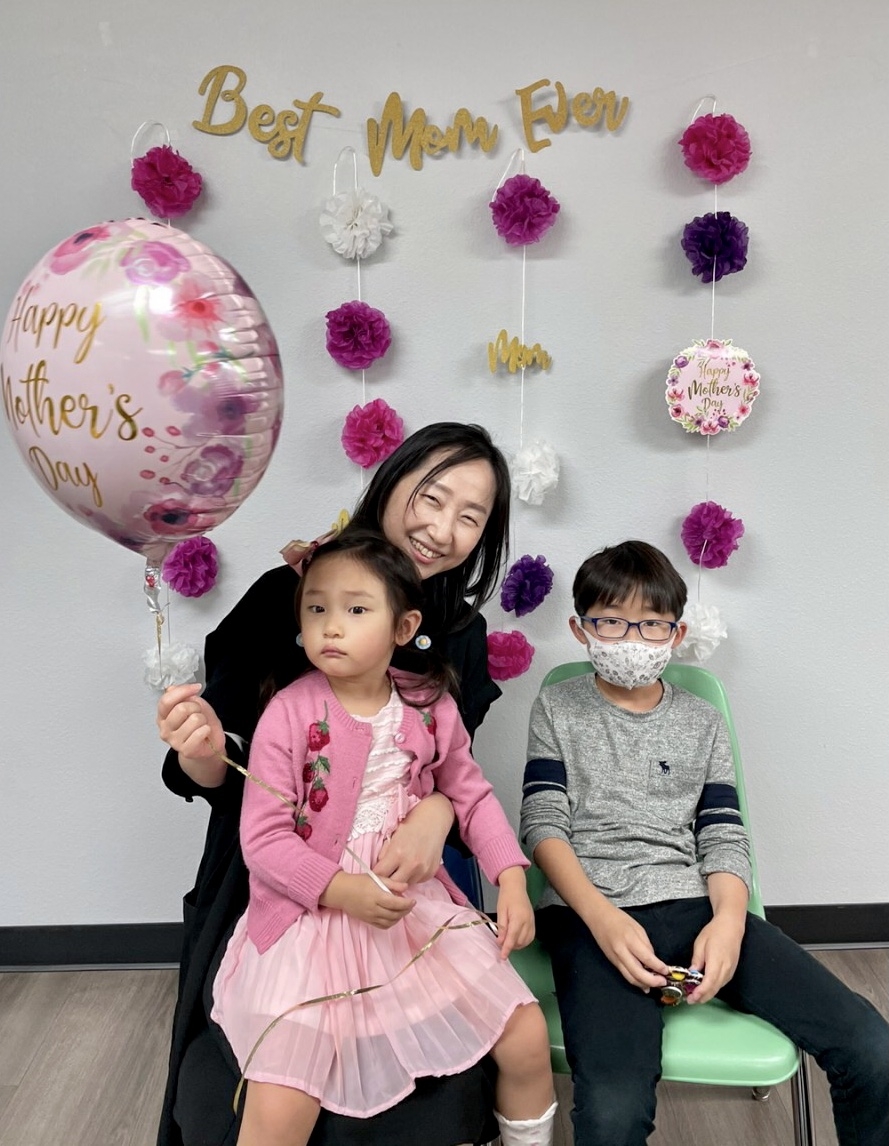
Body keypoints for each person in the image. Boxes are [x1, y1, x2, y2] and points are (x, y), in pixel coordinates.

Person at [157, 423, 514, 1146]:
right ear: (391, 483)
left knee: (418, 1098)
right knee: (258, 1094)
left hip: (396, 885)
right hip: (269, 879)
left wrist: (436, 813)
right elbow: (218, 766)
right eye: (431, 496)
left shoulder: (461, 633)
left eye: (469, 516)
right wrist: (200, 748)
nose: (441, 528)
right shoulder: (285, 596)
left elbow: (455, 770)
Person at [520, 540, 889, 1146]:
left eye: (651, 624)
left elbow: (722, 832)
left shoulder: (701, 720)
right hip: (589, 914)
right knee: (614, 1111)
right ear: (580, 628)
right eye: (611, 621)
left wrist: (729, 923)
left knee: (871, 1045)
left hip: (694, 904)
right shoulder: (558, 707)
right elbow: (542, 824)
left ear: (677, 632)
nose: (631, 639)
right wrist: (602, 920)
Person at [208, 528, 556, 1146]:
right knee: (283, 1100)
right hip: (309, 924)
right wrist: (342, 891)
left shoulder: (429, 705)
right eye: (317, 608)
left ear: (404, 626)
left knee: (526, 1035)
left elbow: (470, 795)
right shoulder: (288, 712)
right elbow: (263, 841)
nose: (331, 627)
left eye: (356, 610)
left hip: (414, 915)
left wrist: (511, 881)